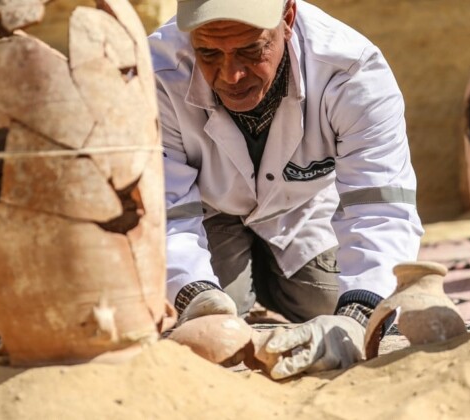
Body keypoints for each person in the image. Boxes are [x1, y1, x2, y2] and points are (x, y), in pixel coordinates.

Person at [148, 0, 423, 379]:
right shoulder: (153, 73)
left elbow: (382, 206)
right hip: (205, 213)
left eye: (250, 50)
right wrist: (192, 295)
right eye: (209, 52)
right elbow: (162, 208)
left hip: (301, 212)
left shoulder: (352, 71)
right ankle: (239, 298)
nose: (231, 74)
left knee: (335, 303)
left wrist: (358, 318)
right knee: (210, 324)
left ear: (288, 17)